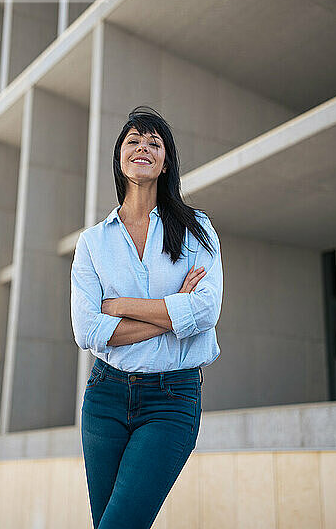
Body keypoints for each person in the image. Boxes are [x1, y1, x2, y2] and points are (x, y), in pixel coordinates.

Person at [71, 105, 223, 529]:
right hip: (105, 398)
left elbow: (206, 310)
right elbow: (87, 330)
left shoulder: (197, 229)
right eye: (133, 140)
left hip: (171, 399)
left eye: (153, 143)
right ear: (119, 156)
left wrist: (119, 307)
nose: (142, 148)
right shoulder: (93, 243)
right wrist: (174, 309)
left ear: (165, 161)